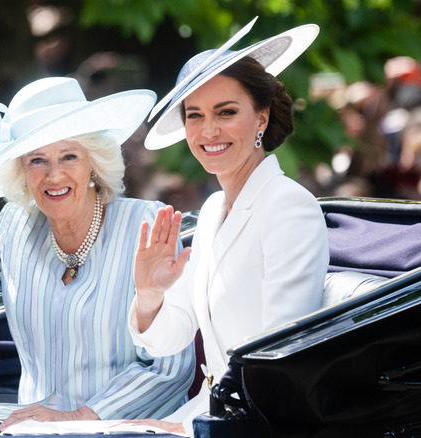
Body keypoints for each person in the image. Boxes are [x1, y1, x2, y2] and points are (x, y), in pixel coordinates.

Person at [0, 77, 195, 432]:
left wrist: (79, 419)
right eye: (37, 160)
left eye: (69, 156)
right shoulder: (20, 226)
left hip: (129, 428)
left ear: (94, 162)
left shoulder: (144, 224)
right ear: (20, 172)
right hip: (32, 428)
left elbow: (169, 367)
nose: (54, 175)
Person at [128, 18, 330, 434]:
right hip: (211, 416)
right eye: (195, 116)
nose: (209, 131)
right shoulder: (214, 209)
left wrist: (189, 428)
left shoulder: (288, 206)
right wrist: (149, 295)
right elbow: (170, 338)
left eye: (226, 112)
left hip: (260, 423)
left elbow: (280, 356)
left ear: (261, 117)